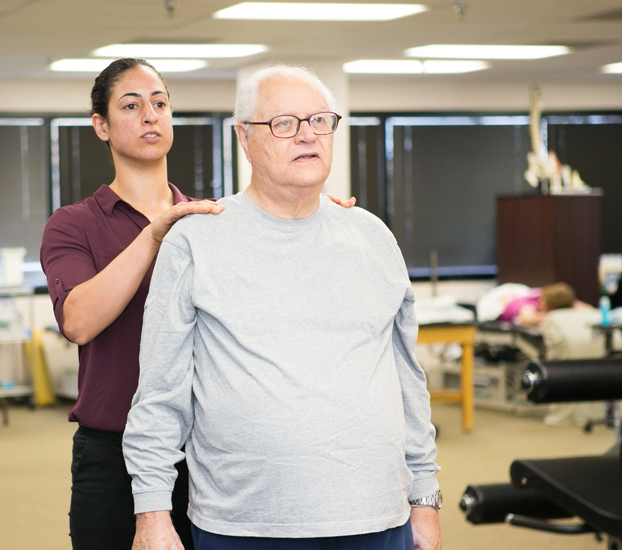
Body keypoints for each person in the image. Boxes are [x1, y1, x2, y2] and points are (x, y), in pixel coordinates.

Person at [123, 65, 441, 550]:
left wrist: (425, 496)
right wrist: (152, 512)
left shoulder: (373, 237)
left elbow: (407, 381)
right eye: (284, 124)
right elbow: (161, 390)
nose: (306, 136)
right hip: (246, 522)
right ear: (244, 138)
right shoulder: (196, 239)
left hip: (376, 516)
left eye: (319, 121)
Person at [40, 58, 224, 550]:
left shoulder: (212, 221)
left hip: (208, 450)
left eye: (160, 103)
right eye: (131, 105)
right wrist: (154, 234)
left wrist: (309, 221)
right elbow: (78, 321)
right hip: (113, 452)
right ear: (100, 125)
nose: (151, 115)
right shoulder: (73, 224)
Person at [497, 282, 578, 326]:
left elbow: (587, 309)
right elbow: (527, 319)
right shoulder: (528, 303)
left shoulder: (561, 297)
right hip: (500, 297)